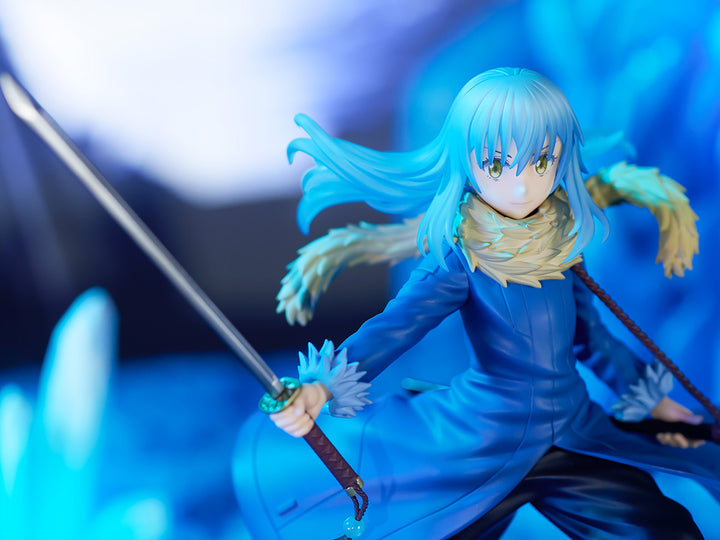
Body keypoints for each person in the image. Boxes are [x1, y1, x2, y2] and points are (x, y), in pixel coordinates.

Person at [234, 68, 718, 539]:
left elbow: (594, 341)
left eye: (541, 162)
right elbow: (394, 329)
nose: (522, 184)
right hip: (480, 447)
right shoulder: (460, 258)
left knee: (659, 530)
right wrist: (320, 387)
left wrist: (653, 401)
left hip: (576, 434)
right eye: (497, 165)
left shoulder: (562, 246)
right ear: (468, 163)